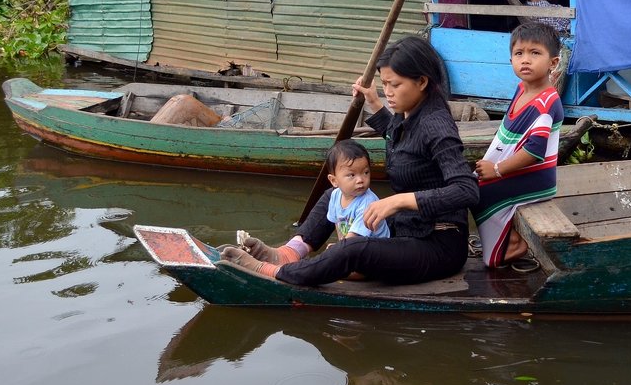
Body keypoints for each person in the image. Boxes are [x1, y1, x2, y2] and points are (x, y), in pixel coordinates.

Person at [221, 36, 479, 285]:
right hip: (407, 226)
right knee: (335, 195)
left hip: (438, 243)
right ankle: (288, 253)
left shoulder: (436, 124)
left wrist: (398, 201)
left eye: (395, 85)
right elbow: (401, 139)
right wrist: (374, 102)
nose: (388, 92)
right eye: (384, 83)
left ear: (421, 81)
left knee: (351, 249)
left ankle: (273, 271)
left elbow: (467, 190)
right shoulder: (409, 112)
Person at [473, 22, 565, 268]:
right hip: (514, 169)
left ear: (553, 63)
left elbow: (534, 152)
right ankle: (502, 235)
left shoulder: (547, 103)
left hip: (535, 179)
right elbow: (508, 135)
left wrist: (498, 169)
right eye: (519, 53)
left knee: (479, 192)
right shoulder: (521, 89)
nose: (525, 60)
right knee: (468, 185)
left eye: (535, 53)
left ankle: (510, 245)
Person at [322, 139, 391, 242]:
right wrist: (340, 243)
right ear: (334, 180)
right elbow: (337, 223)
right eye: (351, 175)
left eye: (365, 172)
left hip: (376, 247)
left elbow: (355, 236)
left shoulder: (368, 201)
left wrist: (339, 249)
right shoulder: (335, 195)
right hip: (353, 244)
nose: (360, 180)